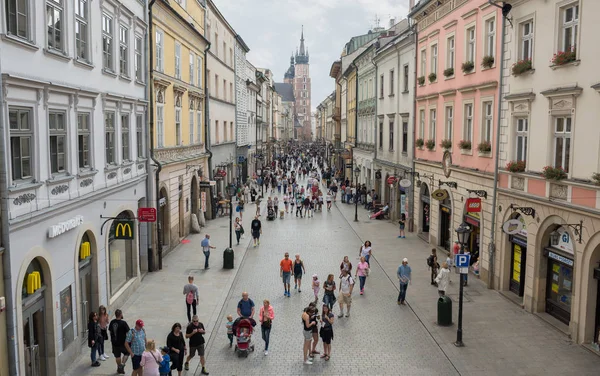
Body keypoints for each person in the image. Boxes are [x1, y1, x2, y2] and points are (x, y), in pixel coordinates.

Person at [109, 309, 130, 374]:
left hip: (115, 342)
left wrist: (112, 339)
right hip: (122, 342)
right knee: (127, 353)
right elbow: (128, 332)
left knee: (117, 356)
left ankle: (119, 367)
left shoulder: (112, 322)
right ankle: (122, 365)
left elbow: (110, 331)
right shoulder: (123, 323)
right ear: (120, 314)